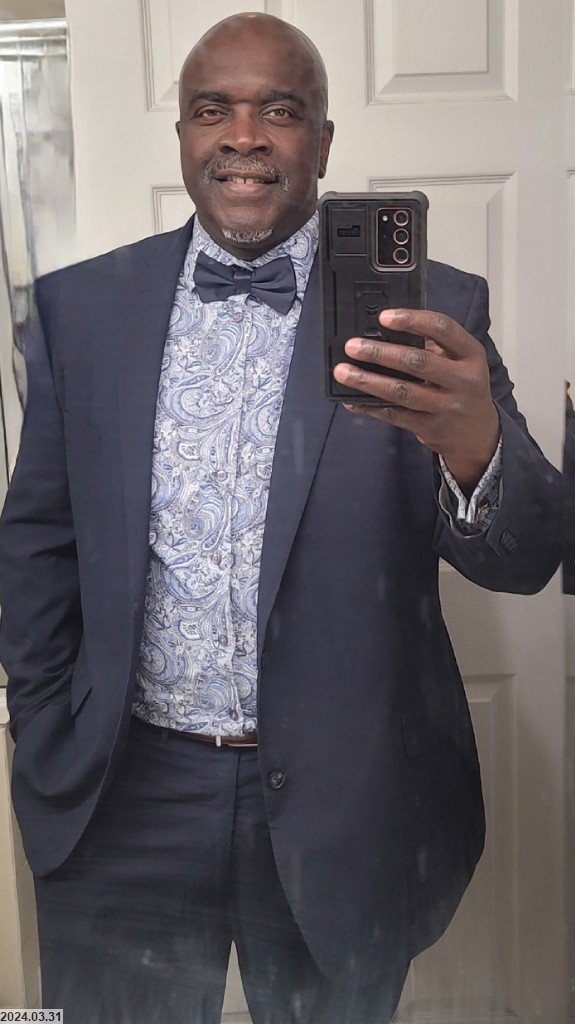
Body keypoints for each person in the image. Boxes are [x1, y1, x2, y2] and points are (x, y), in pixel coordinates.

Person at [0, 12, 562, 1024]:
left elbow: (525, 561)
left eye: (280, 111)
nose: (244, 136)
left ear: (324, 142)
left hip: (350, 800)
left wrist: (473, 442)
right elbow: (38, 540)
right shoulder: (83, 309)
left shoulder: (432, 310)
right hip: (121, 789)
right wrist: (45, 722)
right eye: (212, 110)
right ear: (183, 134)